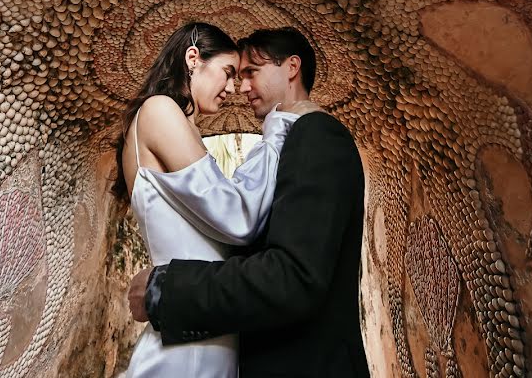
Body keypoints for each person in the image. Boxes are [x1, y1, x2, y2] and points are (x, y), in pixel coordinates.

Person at [128, 27, 370, 378]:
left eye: (249, 73)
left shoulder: (318, 135)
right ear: (191, 60)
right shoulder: (163, 114)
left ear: (291, 67)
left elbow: (293, 275)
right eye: (233, 74)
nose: (240, 88)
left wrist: (165, 290)